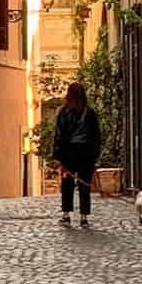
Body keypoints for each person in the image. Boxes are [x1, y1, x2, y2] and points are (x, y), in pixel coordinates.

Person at [53, 82, 101, 228]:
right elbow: (96, 136)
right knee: (84, 184)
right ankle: (84, 217)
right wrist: (95, 155)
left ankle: (66, 215)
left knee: (67, 184)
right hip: (86, 154)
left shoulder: (63, 112)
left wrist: (57, 155)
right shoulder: (90, 113)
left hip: (68, 154)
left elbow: (59, 135)